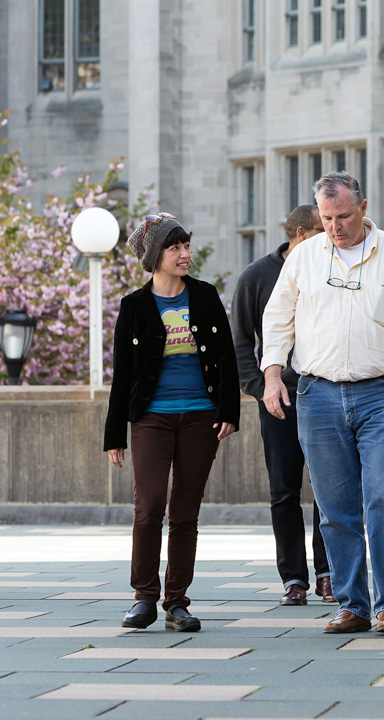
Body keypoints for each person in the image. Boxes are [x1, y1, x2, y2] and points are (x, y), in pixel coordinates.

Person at [261, 172, 384, 636]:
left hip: (383, 393)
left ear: (362, 206)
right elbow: (277, 318)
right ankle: (352, 604)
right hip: (317, 394)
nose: (335, 227)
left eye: (342, 216)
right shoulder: (303, 258)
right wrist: (272, 374)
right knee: (334, 507)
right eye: (326, 218)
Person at [104, 213, 240, 632]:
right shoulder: (134, 306)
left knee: (185, 512)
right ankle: (143, 597)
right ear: (154, 256)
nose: (185, 254)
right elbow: (122, 374)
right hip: (151, 418)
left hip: (201, 416)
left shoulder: (204, 296)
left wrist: (229, 412)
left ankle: (177, 601)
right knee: (148, 508)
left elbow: (226, 358)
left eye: (185, 246)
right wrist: (114, 434)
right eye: (174, 247)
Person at [231, 204, 333, 607]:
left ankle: (329, 573)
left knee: (331, 489)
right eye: (324, 228)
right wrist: (260, 388)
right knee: (284, 491)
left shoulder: (329, 268)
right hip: (279, 399)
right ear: (304, 234)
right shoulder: (256, 276)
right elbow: (240, 341)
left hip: (325, 394)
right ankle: (294, 579)